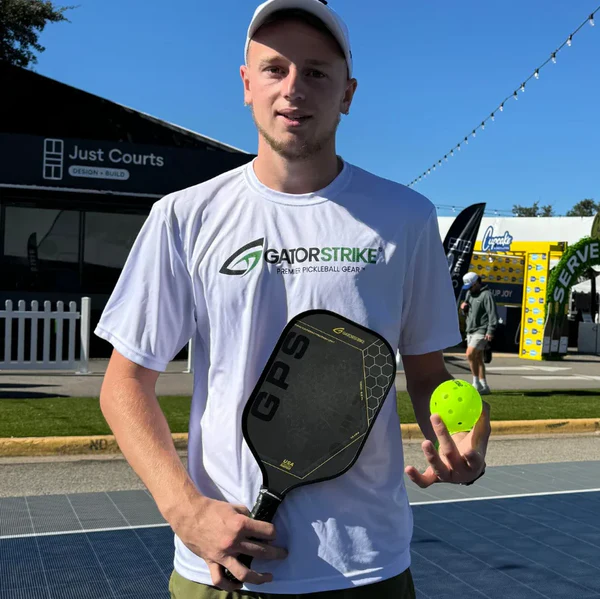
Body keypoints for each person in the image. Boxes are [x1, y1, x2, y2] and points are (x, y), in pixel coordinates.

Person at [95, 1, 491, 597]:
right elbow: (124, 385)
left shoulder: (406, 219)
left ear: (348, 92)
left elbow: (428, 371)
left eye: (317, 72)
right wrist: (186, 512)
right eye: (275, 68)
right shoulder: (183, 217)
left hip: (368, 565)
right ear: (246, 82)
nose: (294, 89)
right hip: (222, 569)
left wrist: (456, 435)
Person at [460, 272, 498, 395]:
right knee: (478, 358)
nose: (470, 289)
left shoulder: (486, 295)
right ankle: (484, 386)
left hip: (482, 329)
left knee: (470, 354)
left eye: (471, 286)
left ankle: (475, 383)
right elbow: (467, 312)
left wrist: (490, 331)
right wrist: (463, 308)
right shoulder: (469, 294)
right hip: (470, 329)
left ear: (477, 283)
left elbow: (492, 314)